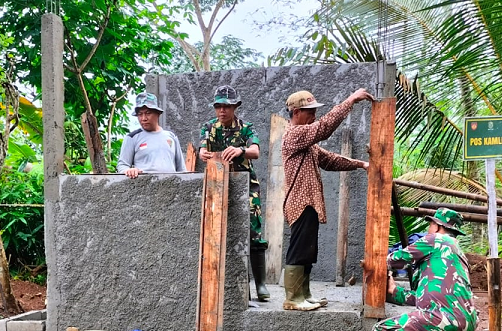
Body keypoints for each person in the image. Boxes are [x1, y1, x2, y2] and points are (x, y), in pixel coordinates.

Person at [281, 89, 374, 310]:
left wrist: (360, 164)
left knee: (308, 250)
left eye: (315, 111)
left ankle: (304, 293)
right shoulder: (294, 135)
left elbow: (329, 160)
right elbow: (324, 128)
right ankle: (292, 299)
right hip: (300, 201)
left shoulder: (307, 143)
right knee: (299, 249)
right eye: (310, 111)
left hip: (310, 201)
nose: (313, 116)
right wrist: (350, 100)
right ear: (296, 112)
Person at [371, 208, 479, 331]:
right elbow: (427, 298)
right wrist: (394, 291)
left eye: (430, 225)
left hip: (444, 320)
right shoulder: (456, 254)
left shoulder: (436, 240)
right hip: (468, 323)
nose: (428, 229)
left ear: (437, 226)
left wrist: (374, 263)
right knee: (428, 315)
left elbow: (394, 259)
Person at [199, 85, 269, 302]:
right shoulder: (209, 127)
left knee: (253, 231)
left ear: (235, 107)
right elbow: (202, 149)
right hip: (217, 184)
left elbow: (256, 151)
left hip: (245, 185)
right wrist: (203, 153)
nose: (222, 111)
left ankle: (260, 284)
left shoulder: (246, 127)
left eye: (227, 106)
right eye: (218, 106)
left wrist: (241, 150)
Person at [117, 92, 186, 178]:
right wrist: (129, 171)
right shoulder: (132, 138)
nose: (143, 118)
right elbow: (122, 166)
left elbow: (181, 169)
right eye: (140, 114)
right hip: (144, 187)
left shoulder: (171, 137)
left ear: (158, 113)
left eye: (148, 113)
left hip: (170, 187)